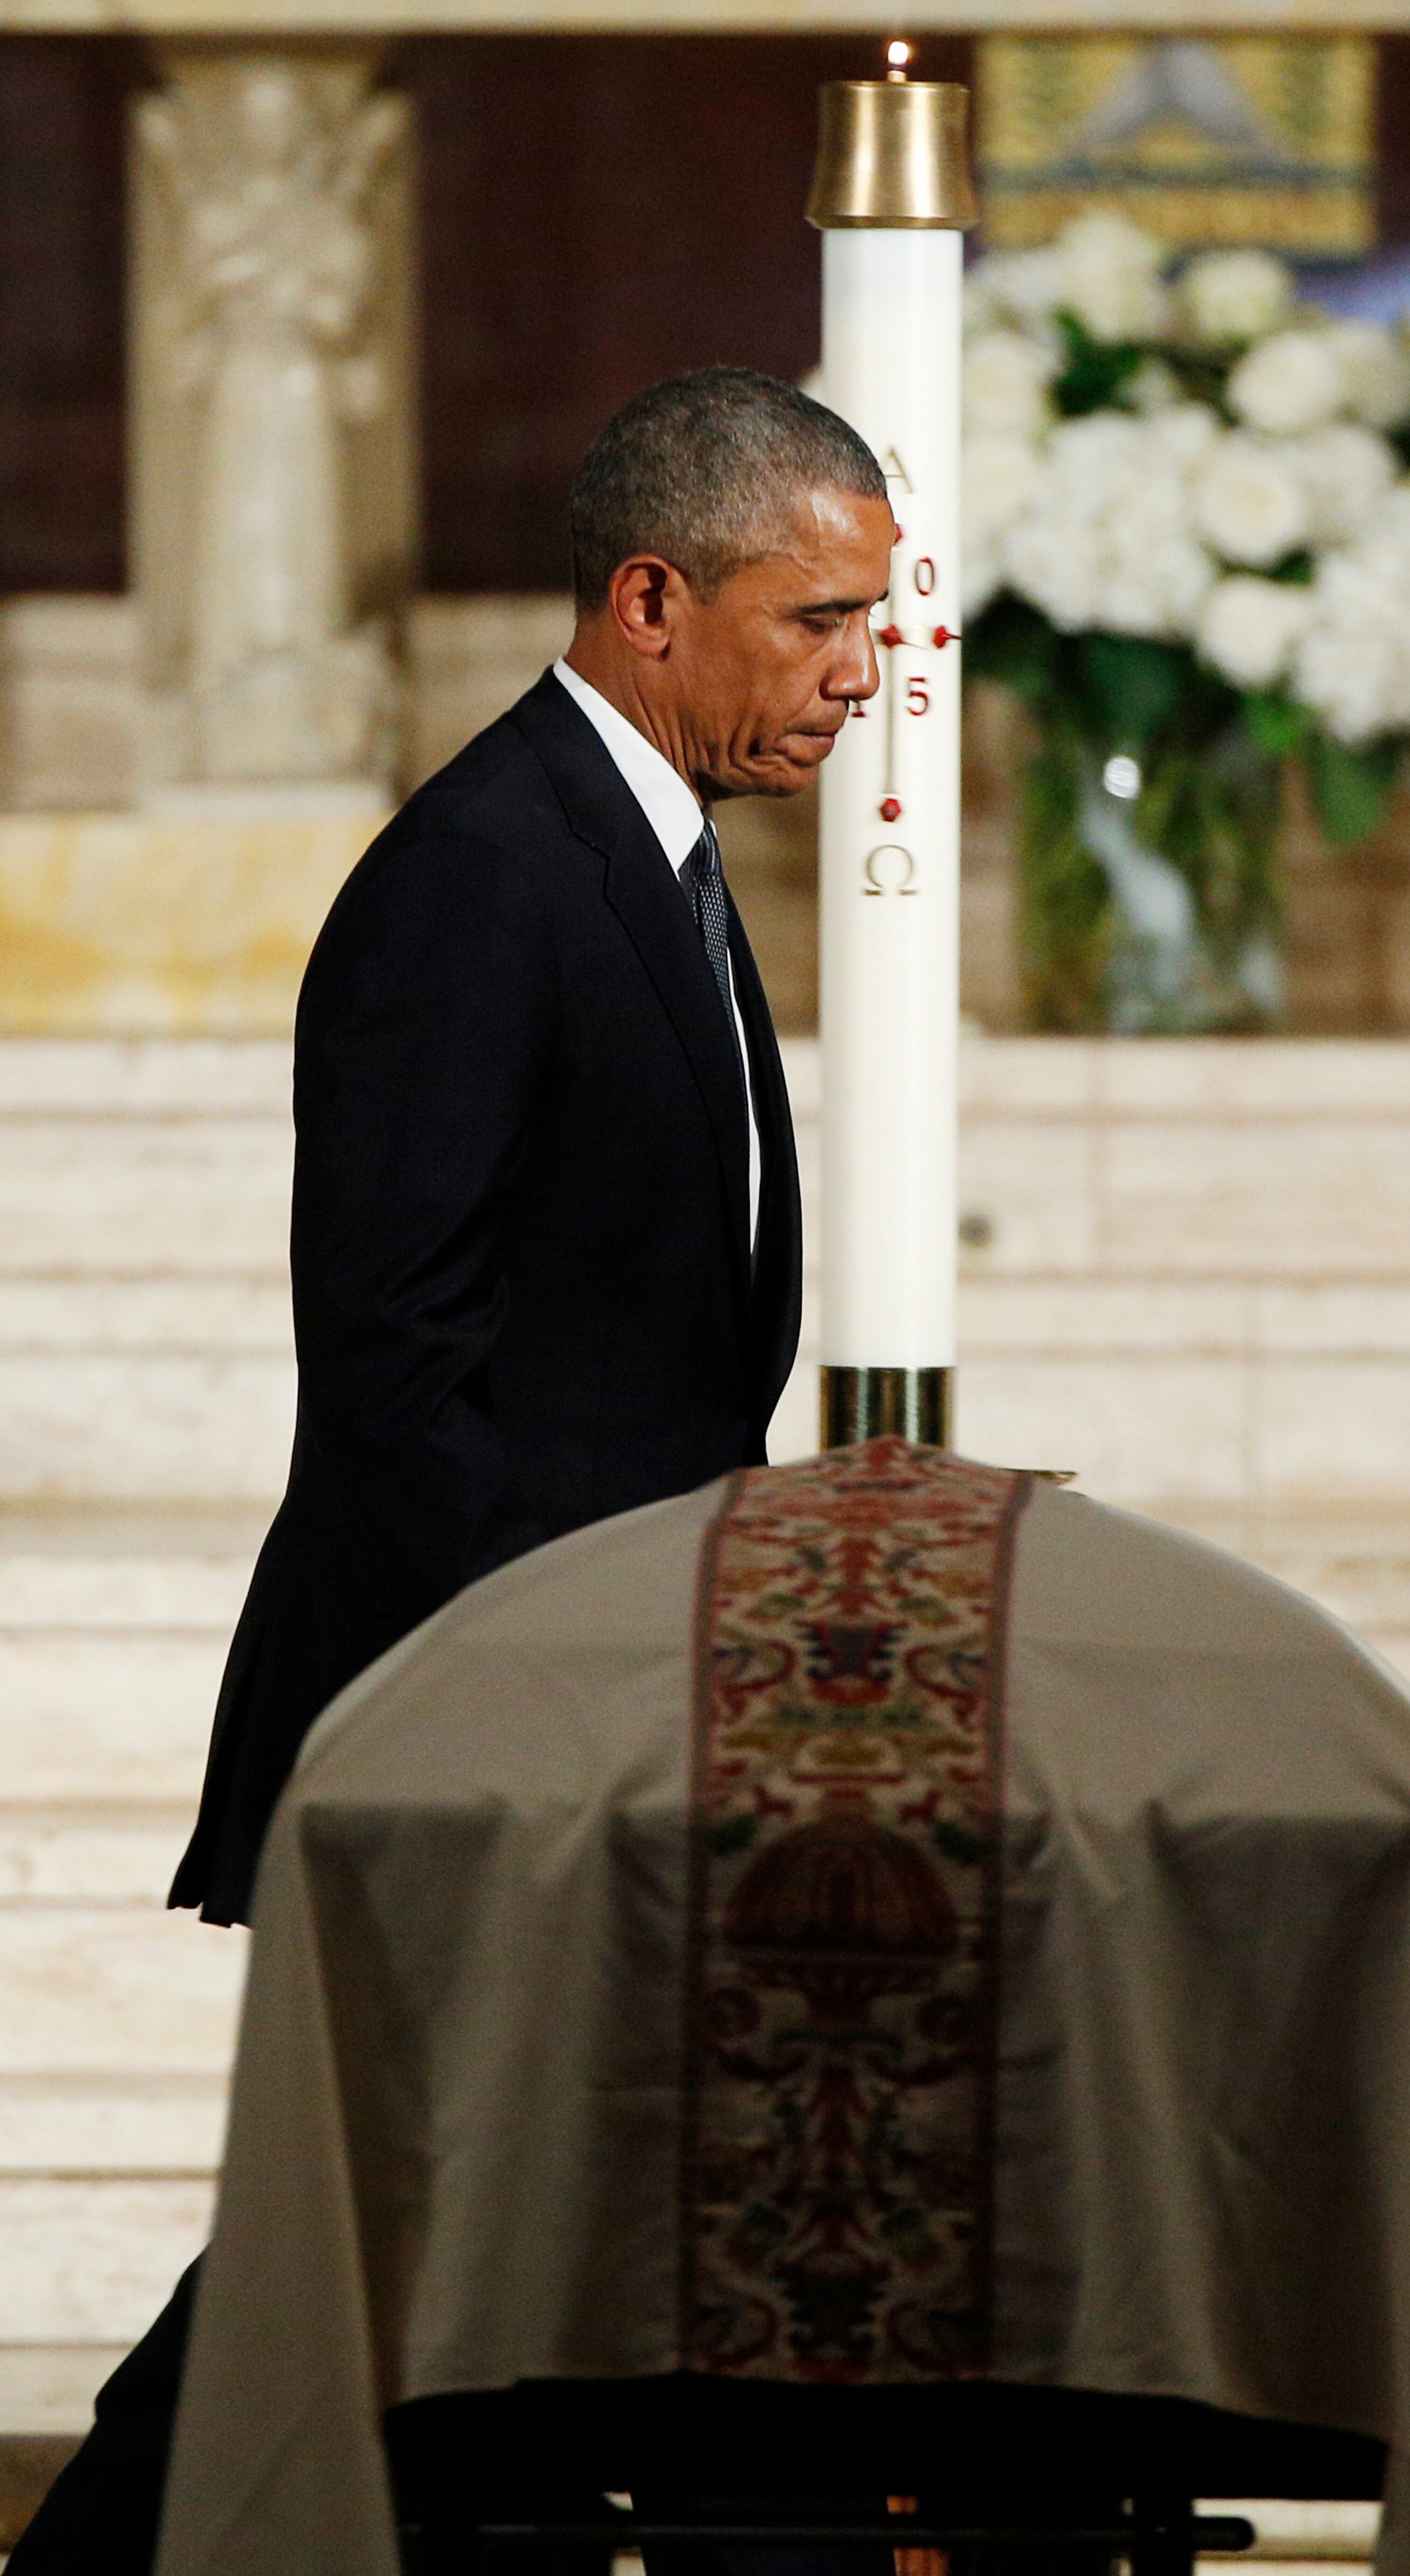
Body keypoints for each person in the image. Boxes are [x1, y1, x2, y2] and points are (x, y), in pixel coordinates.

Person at [10, 364, 895, 2576]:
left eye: (874, 624)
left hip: (595, 1702)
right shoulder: (485, 876)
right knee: (379, 2235)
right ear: (650, 598)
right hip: (481, 1710)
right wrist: (545, 1706)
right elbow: (394, 1372)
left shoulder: (644, 853)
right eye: (818, 625)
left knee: (458, 2242)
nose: (864, 675)